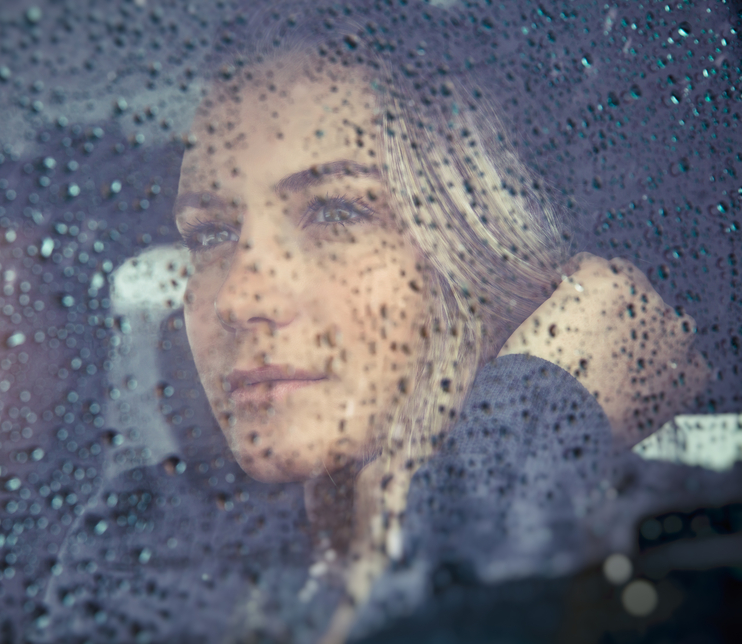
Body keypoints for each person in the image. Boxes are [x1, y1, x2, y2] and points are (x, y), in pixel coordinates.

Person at [35, 22, 721, 644]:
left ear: (482, 256)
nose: (239, 299)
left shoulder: (675, 548)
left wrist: (528, 423)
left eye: (336, 213)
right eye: (211, 234)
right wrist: (532, 431)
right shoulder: (146, 547)